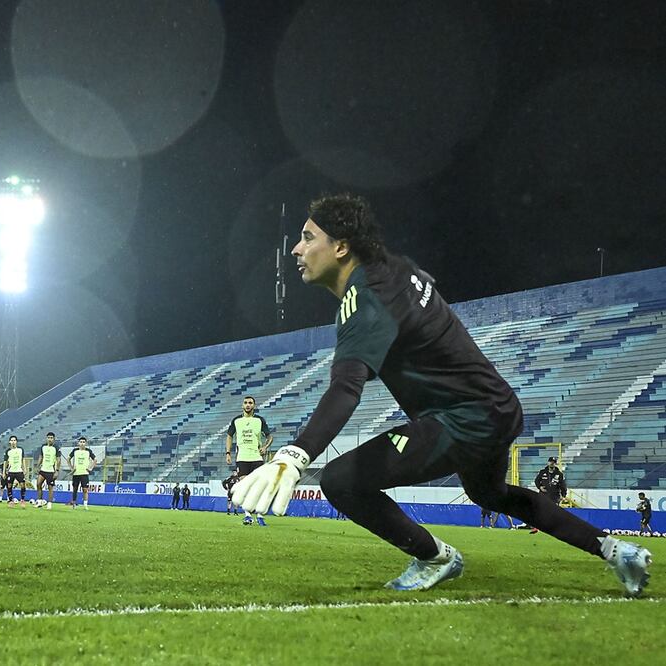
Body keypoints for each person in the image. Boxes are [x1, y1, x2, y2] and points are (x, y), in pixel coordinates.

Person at [233, 193, 652, 596]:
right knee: (490, 495)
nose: (295, 249)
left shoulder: (364, 300)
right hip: (499, 409)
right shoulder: (395, 269)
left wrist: (295, 454)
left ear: (341, 247)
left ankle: (435, 558)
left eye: (308, 237)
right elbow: (416, 331)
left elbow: (346, 389)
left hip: (463, 419)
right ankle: (617, 551)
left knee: (341, 480)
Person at [226, 396, 272, 526]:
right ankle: (247, 515)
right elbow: (229, 436)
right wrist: (228, 453)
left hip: (257, 458)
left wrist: (265, 447)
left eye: (250, 403)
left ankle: (260, 515)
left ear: (254, 406)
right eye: (245, 403)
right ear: (242, 405)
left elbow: (269, 437)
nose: (248, 405)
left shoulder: (259, 420)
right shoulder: (237, 421)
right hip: (242, 458)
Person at [530, 457, 568, 534]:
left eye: (553, 462)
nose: (552, 463)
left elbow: (563, 485)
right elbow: (536, 480)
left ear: (555, 463)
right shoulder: (542, 472)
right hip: (543, 495)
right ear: (548, 462)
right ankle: (536, 527)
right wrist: (540, 487)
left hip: (554, 496)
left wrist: (563, 495)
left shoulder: (559, 474)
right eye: (550, 461)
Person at [67, 437, 97, 509]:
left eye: (83, 442)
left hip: (84, 473)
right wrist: (71, 468)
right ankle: (74, 504)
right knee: (75, 489)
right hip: (76, 473)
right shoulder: (75, 451)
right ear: (78, 443)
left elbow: (95, 459)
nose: (82, 443)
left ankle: (85, 504)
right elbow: (68, 459)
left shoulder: (88, 451)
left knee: (85, 489)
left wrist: (90, 468)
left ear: (86, 443)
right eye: (81, 442)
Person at [35, 432, 59, 509]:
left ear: (54, 439)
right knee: (38, 484)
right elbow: (41, 457)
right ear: (46, 438)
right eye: (48, 438)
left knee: (50, 488)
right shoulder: (43, 447)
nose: (50, 439)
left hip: (51, 471)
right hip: (43, 470)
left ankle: (49, 503)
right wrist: (37, 466)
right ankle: (39, 501)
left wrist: (57, 471)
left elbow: (58, 460)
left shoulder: (56, 448)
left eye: (51, 438)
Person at [4, 435, 27, 505]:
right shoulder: (8, 451)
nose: (13, 442)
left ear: (16, 442)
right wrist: (4, 472)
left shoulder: (20, 450)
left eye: (14, 440)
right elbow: (5, 462)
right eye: (12, 440)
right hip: (11, 471)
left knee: (22, 485)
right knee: (9, 486)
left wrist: (24, 468)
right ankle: (10, 501)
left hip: (19, 470)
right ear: (9, 442)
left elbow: (23, 459)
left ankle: (22, 500)